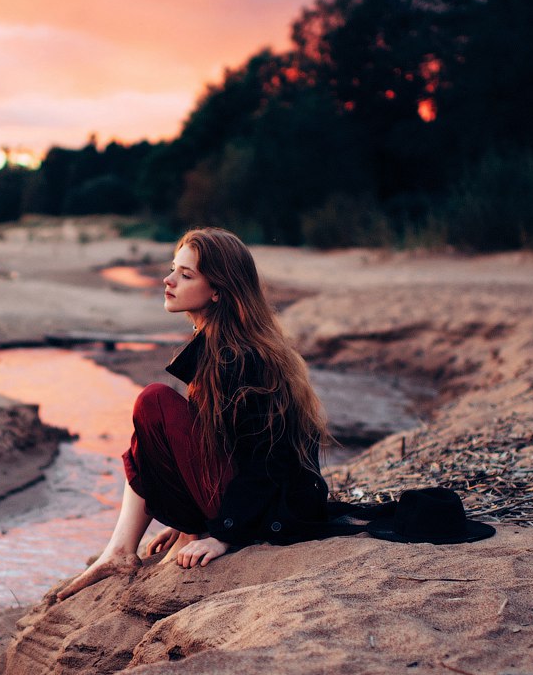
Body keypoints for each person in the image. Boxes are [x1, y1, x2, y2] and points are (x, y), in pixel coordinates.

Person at [51, 227, 330, 601]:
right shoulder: (219, 342)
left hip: (264, 512)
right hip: (242, 500)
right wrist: (186, 520)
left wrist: (224, 535)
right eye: (173, 269)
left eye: (186, 275)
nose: (168, 281)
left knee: (154, 402)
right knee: (154, 425)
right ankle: (121, 549)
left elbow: (268, 459)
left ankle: (121, 550)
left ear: (218, 290)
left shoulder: (240, 356)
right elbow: (211, 443)